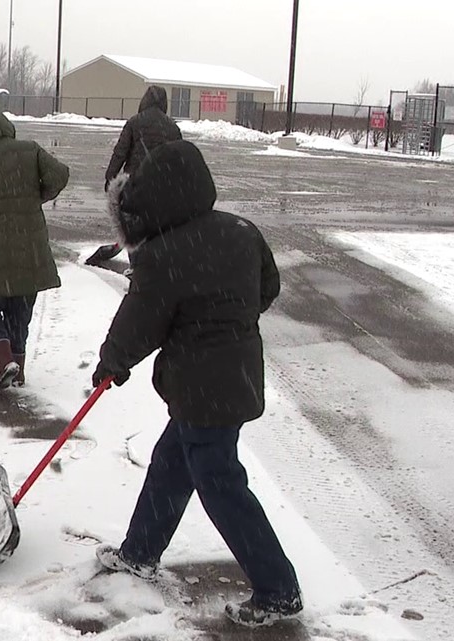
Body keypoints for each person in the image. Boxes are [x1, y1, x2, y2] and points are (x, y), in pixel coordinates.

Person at [90, 140, 303, 628]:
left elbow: (139, 322)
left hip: (203, 386)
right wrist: (225, 320)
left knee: (219, 482)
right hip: (233, 376)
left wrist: (111, 363)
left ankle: (278, 588)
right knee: (172, 462)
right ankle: (140, 551)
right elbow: (266, 289)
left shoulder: (163, 254)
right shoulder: (241, 231)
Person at [0, 100, 70, 390]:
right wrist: (34, 197)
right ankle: (17, 368)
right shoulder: (29, 150)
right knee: (20, 306)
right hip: (29, 245)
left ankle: (3, 358)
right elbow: (60, 175)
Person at [85, 85, 183, 267]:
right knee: (157, 225)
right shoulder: (172, 128)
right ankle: (155, 261)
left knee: (134, 225)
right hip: (162, 183)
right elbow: (178, 157)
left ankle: (136, 264)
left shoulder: (134, 122)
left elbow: (120, 153)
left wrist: (110, 177)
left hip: (136, 182)